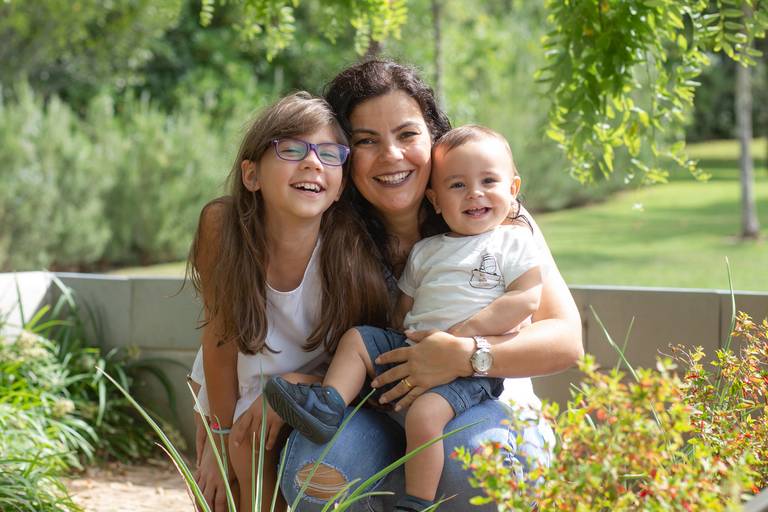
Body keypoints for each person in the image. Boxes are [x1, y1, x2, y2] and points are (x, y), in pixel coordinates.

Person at [272, 60, 584, 512]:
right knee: (316, 469)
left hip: (482, 405)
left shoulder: (499, 221)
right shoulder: (333, 230)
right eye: (366, 141)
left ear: (433, 137)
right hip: (382, 413)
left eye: (407, 134)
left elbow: (566, 340)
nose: (391, 155)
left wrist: (466, 353)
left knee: (472, 463)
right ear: (344, 153)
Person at [186, 91, 390, 512]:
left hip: (315, 394)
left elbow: (366, 360)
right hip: (234, 389)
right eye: (292, 149)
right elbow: (220, 341)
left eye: (329, 154)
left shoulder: (350, 256)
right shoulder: (223, 228)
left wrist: (300, 386)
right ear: (251, 175)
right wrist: (218, 438)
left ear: (340, 187)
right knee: (222, 491)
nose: (313, 162)